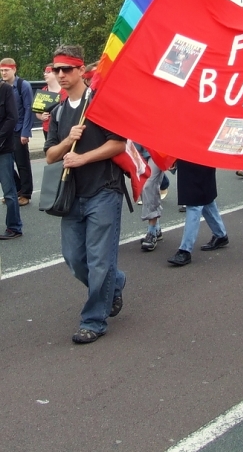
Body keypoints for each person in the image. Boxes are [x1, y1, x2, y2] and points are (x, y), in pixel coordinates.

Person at [44, 45, 127, 344]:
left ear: (81, 70)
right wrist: (68, 141)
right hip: (71, 197)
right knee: (75, 259)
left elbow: (119, 144)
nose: (61, 74)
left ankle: (93, 320)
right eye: (57, 70)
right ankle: (115, 283)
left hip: (104, 190)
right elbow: (51, 155)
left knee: (100, 260)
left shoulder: (99, 104)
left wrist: (83, 157)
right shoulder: (58, 113)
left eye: (67, 69)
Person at [167, 160, 229, 267]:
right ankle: (220, 234)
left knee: (195, 202)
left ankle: (185, 250)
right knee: (205, 198)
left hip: (199, 156)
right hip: (192, 156)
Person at [0, 58, 34, 206]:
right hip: (6, 131)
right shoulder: (2, 87)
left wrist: (25, 132)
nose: (3, 73)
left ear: (14, 69)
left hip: (19, 129)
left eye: (6, 70)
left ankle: (26, 193)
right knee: (6, 164)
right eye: (1, 70)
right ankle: (17, 189)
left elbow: (28, 109)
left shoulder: (23, 85)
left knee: (22, 163)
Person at [0, 76, 22, 240]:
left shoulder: (5, 89)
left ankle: (14, 227)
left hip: (3, 149)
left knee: (9, 191)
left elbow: (12, 117)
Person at [35, 65, 67, 140]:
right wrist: (41, 117)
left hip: (63, 128)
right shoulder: (43, 91)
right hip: (47, 129)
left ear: (56, 73)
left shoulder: (66, 91)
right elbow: (37, 112)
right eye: (45, 72)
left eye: (48, 72)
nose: (45, 74)